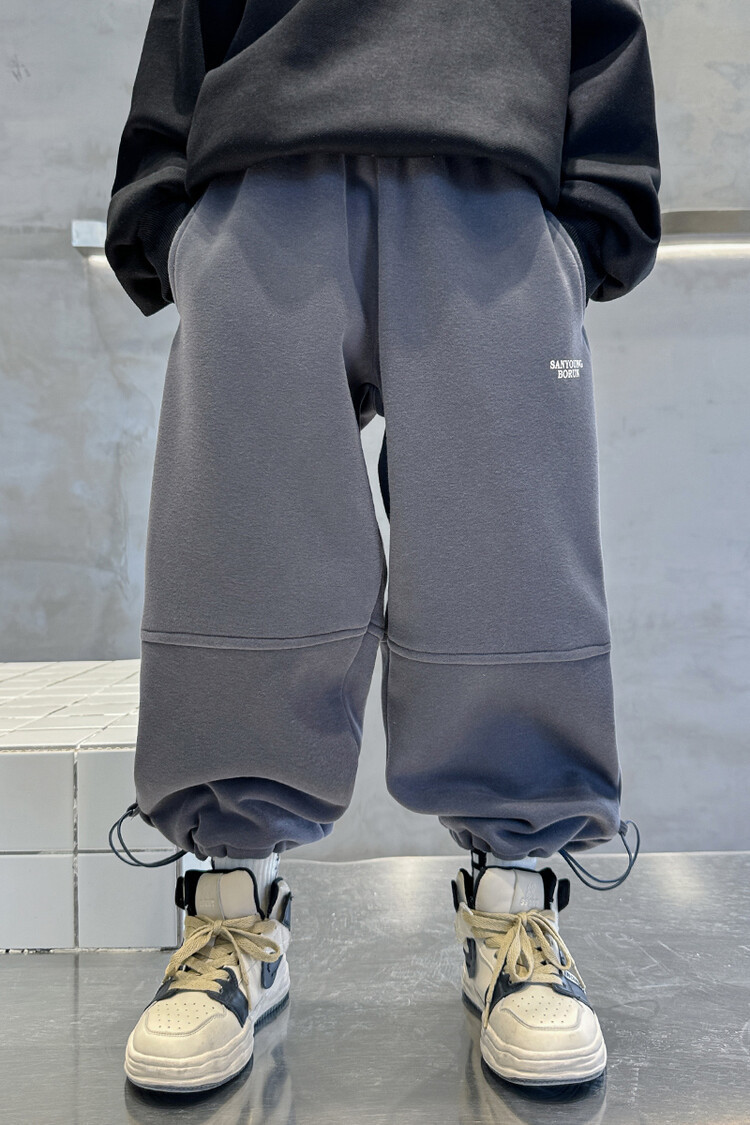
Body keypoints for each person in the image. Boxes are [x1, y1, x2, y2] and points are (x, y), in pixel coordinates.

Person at [104, 0, 659, 1096]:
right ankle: (232, 909)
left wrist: (593, 210)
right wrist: (167, 214)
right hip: (264, 172)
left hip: (490, 178)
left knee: (510, 570)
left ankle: (514, 907)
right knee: (242, 563)